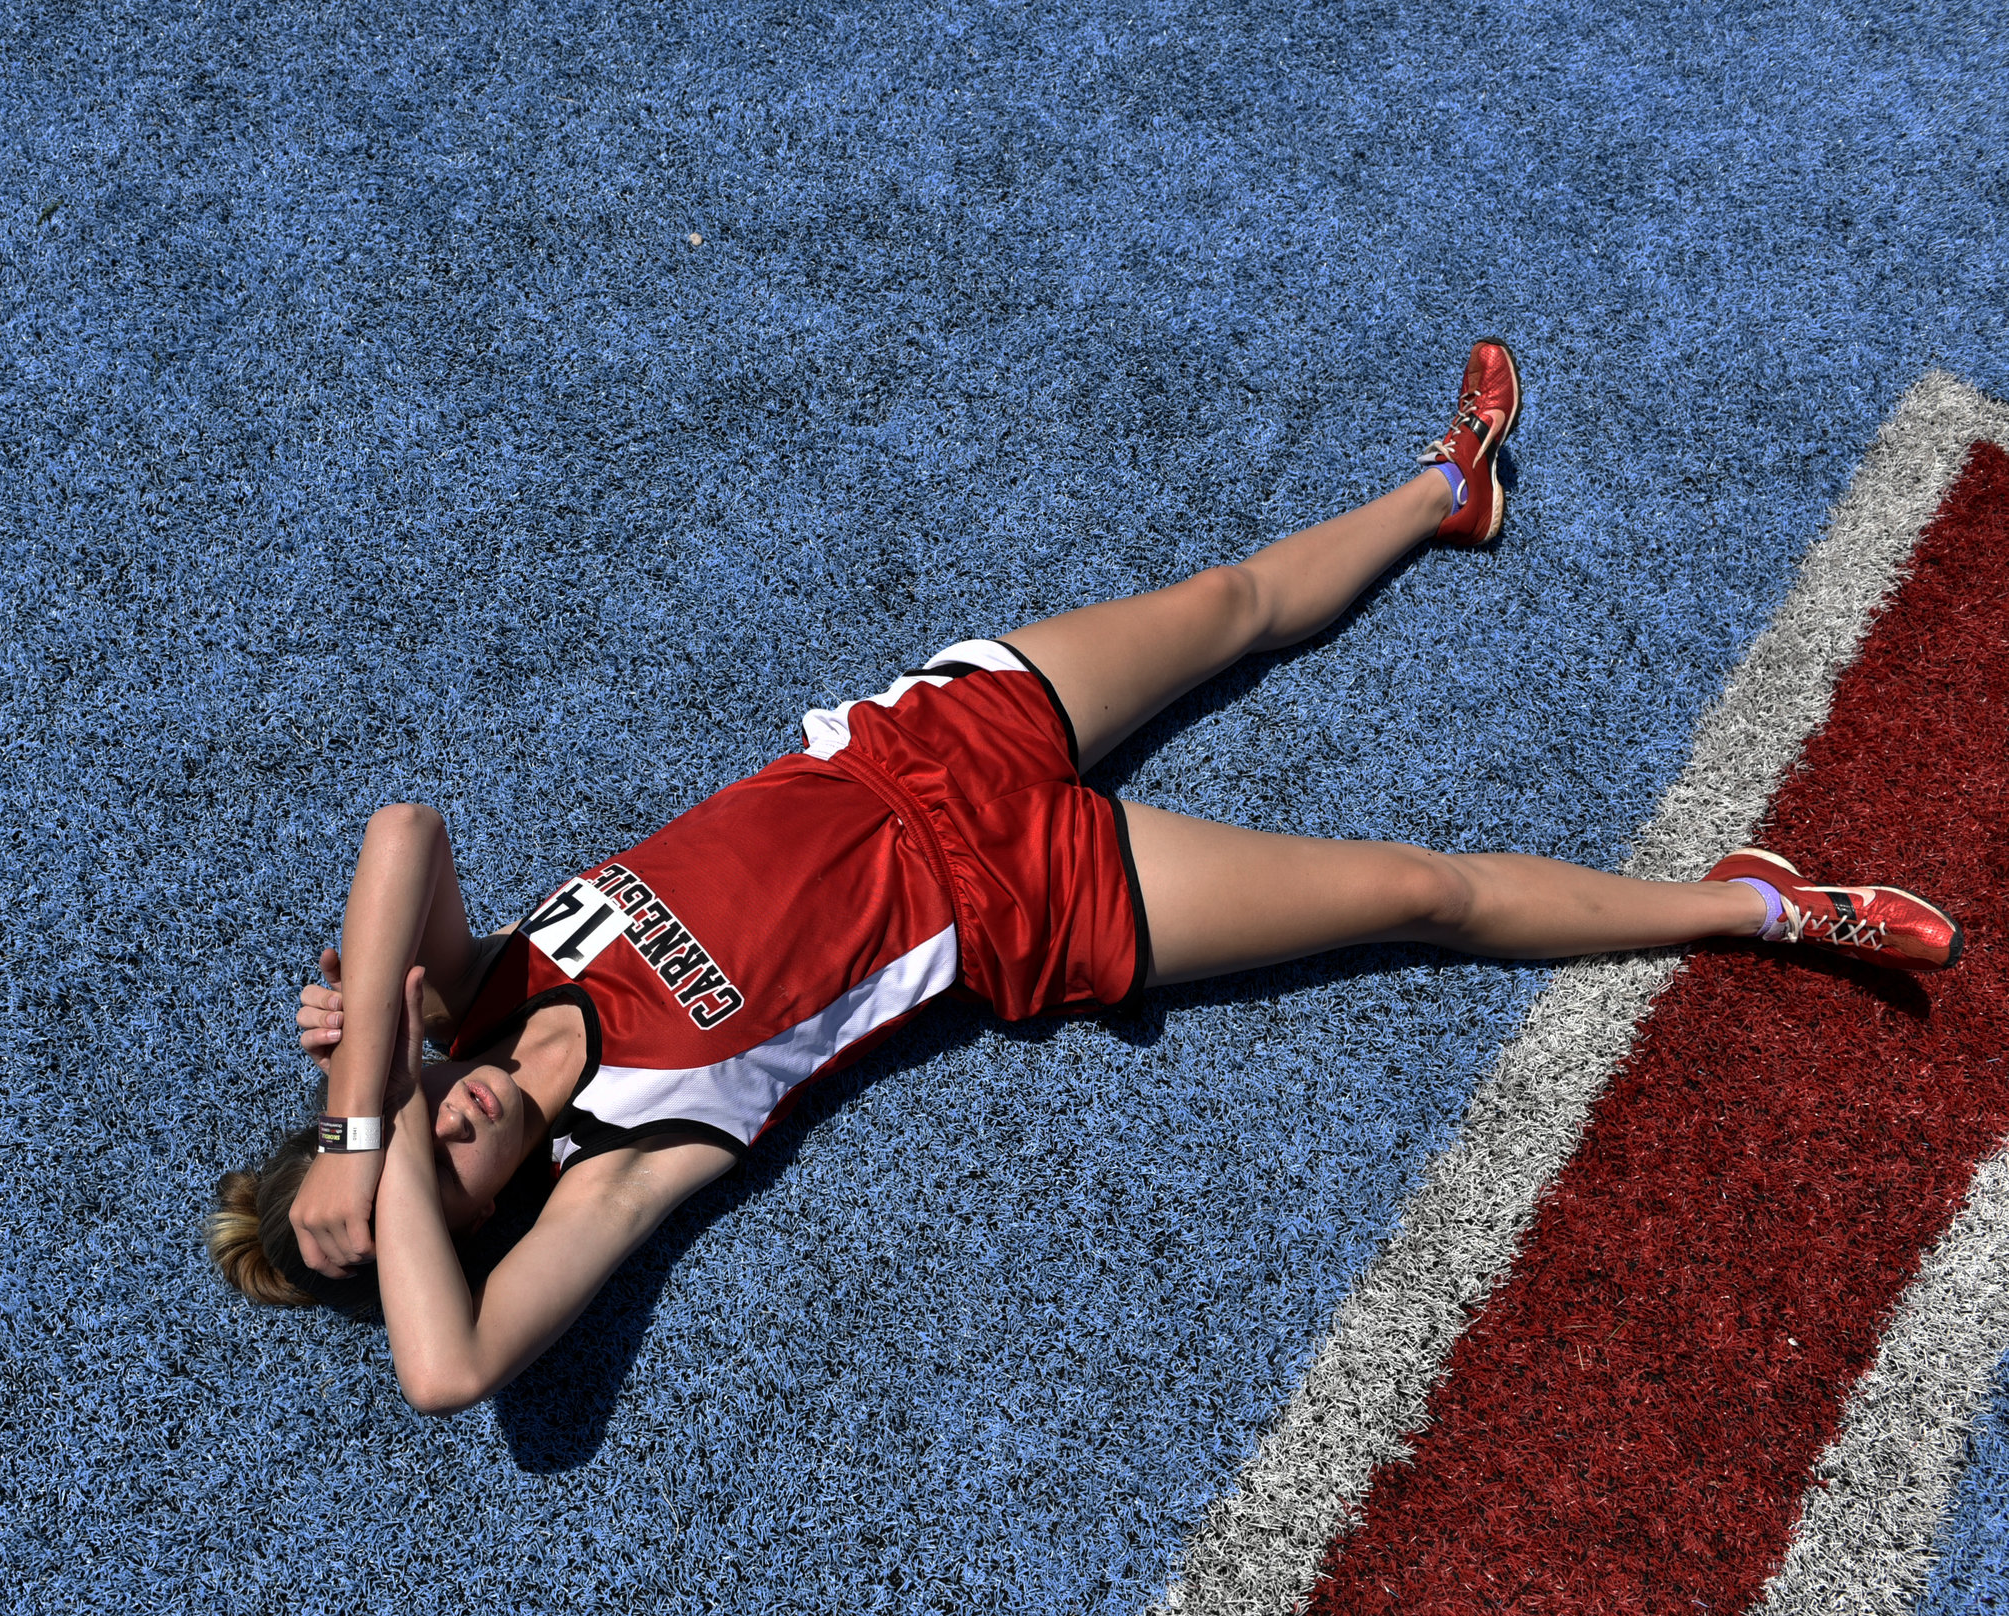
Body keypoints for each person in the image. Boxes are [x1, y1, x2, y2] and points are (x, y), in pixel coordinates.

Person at [205, 342, 1963, 1414]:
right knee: (1410, 891)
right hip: (1018, 898)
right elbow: (447, 1372)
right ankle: (1762, 905)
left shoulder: (472, 991)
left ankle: (1446, 491)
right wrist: (382, 1149)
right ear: (472, 1232)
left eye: (397, 1142)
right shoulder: (610, 1178)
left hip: (910, 744)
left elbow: (402, 836)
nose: (434, 1151)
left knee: (1227, 607)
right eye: (429, 1202)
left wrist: (370, 1094)